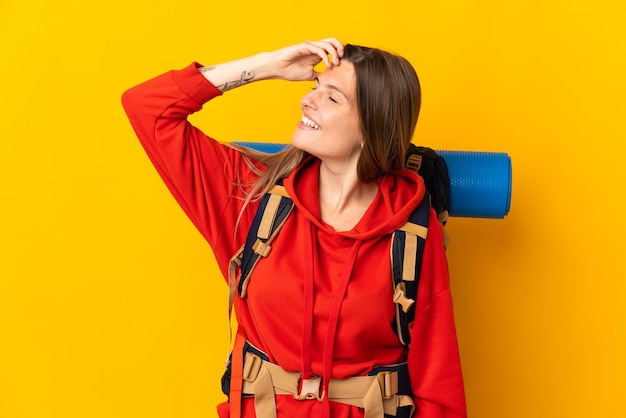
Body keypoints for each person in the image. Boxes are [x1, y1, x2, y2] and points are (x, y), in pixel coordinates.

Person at [122, 38, 466, 418]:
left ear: (372, 128)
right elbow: (146, 108)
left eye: (332, 98)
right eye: (314, 87)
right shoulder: (251, 197)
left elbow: (438, 378)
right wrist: (268, 65)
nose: (307, 100)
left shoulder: (412, 228)